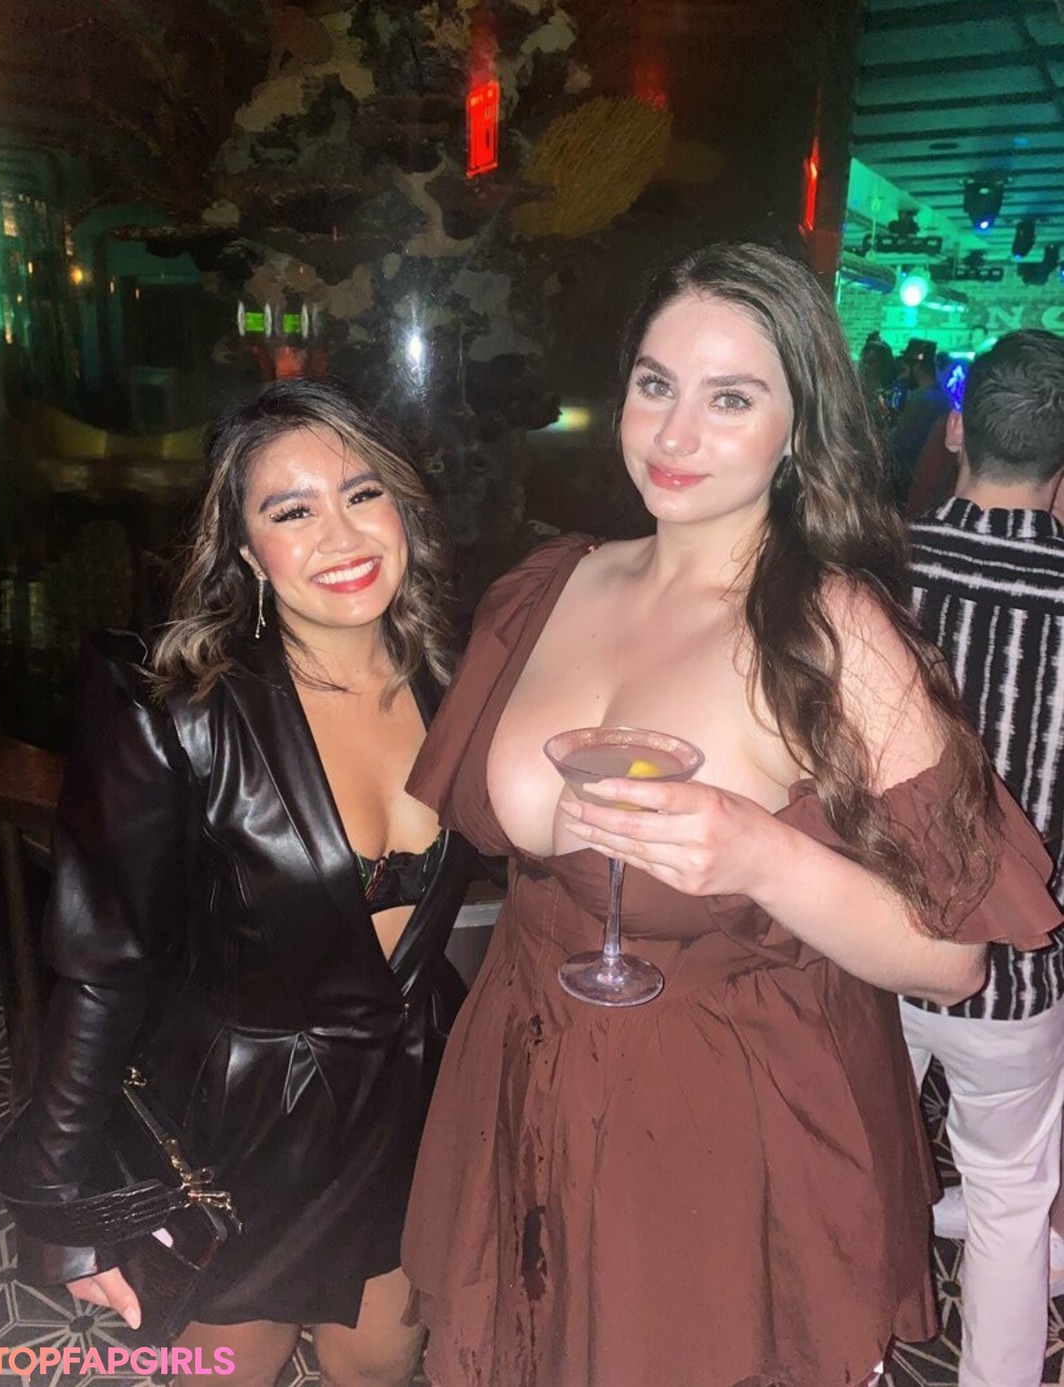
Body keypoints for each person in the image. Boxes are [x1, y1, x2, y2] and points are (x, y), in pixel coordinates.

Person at [396, 243, 1062, 1387]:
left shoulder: (836, 632)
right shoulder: (551, 585)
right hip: (519, 1072)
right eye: (655, 384)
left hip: (709, 1133)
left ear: (799, 428)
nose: (675, 432)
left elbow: (953, 961)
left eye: (732, 398)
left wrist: (757, 853)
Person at [0, 377, 474, 1387]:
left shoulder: (458, 679)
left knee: (379, 1360)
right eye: (291, 511)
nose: (340, 535)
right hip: (238, 1130)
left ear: (403, 508)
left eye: (362, 493)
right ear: (249, 551)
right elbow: (104, 964)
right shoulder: (179, 707)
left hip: (406, 1111)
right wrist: (63, 1199)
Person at [900, 329, 1064, 1387]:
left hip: (867, 947)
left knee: (844, 1166)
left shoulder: (877, 574)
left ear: (957, 429)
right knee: (1009, 1198)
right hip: (1017, 974)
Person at [890, 336, 950, 505]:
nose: (901, 375)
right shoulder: (941, 397)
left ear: (915, 367)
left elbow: (899, 446)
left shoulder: (921, 401)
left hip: (912, 488)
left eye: (904, 369)